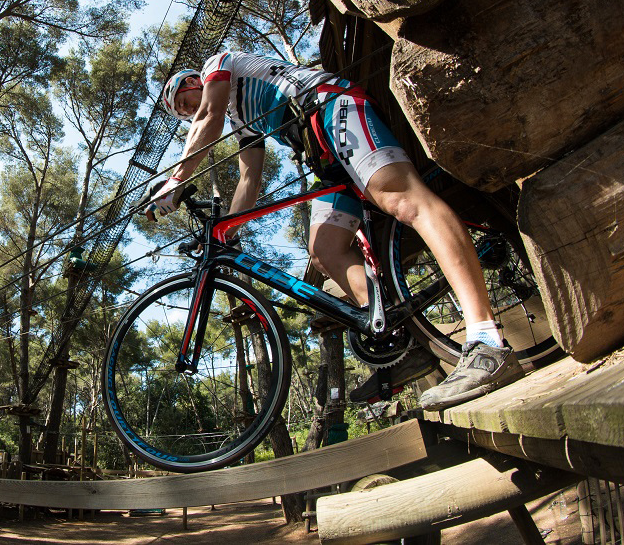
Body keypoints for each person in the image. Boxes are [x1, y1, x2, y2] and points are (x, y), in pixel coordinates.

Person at [146, 52, 524, 410]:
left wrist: (176, 178)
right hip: (323, 156)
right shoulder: (240, 122)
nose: (188, 112)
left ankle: (487, 342)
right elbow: (250, 177)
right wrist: (228, 228)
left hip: (331, 107)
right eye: (181, 113)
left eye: (184, 100)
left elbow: (208, 115)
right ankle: (405, 345)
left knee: (403, 201)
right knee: (324, 249)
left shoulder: (220, 64)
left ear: (196, 80)